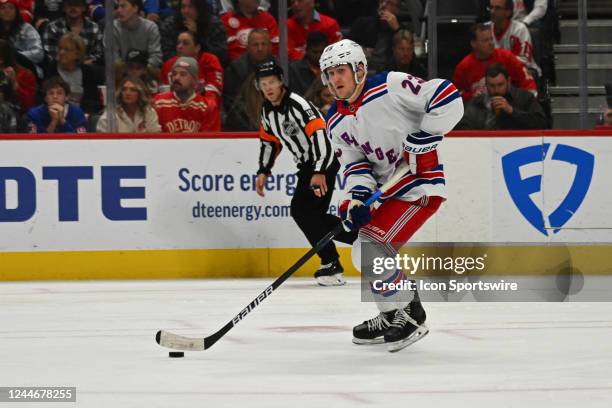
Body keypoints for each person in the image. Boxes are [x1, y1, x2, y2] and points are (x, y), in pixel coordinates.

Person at [319, 39, 463, 351]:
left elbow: (446, 95)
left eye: (340, 71)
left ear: (359, 70)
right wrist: (357, 198)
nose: (335, 80)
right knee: (363, 250)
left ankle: (411, 312)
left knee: (371, 248)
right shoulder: (335, 120)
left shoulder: (391, 85)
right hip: (388, 193)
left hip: (420, 186)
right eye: (329, 74)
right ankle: (389, 314)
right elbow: (355, 164)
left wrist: (425, 135)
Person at [254, 60, 356, 285]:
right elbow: (270, 142)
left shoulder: (297, 104)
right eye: (263, 84)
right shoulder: (267, 111)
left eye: (272, 82)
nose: (268, 87)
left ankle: (331, 262)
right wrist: (264, 170)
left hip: (324, 161)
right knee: (315, 216)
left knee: (301, 210)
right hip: (309, 167)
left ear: (281, 81)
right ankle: (362, 239)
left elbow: (321, 135)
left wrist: (319, 171)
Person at [453, 23, 537, 102]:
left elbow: (528, 84)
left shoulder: (507, 57)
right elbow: (456, 95)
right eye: (485, 40)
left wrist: (528, 103)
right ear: (473, 44)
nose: (491, 43)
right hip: (479, 112)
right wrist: (471, 96)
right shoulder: (463, 67)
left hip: (509, 107)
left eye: (491, 39)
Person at [159, 31, 223, 129]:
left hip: (200, 112)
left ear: (197, 48)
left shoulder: (210, 61)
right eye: (178, 43)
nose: (179, 46)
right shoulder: (168, 65)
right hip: (173, 113)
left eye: (185, 43)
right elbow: (164, 95)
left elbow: (214, 93)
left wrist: (194, 104)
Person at [456, 63, 547, 130]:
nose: (496, 90)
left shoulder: (524, 98)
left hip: (516, 148)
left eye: (500, 85)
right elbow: (462, 127)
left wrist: (512, 111)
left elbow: (541, 123)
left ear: (508, 81)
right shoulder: (477, 102)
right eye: (492, 86)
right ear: (486, 85)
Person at [223, 28, 272, 130]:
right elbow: (231, 103)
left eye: (264, 44)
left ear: (270, 47)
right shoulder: (235, 69)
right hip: (243, 124)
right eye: (255, 45)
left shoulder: (280, 67)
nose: (260, 48)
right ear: (248, 47)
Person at [44, 32, 103, 114]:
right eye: (60, 48)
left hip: (82, 115)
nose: (61, 52)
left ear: (77, 54)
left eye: (66, 50)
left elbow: (92, 101)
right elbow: (46, 97)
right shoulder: (51, 70)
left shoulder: (87, 72)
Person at [153, 56, 217, 132]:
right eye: (174, 74)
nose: (176, 78)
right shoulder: (158, 102)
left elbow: (211, 141)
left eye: (183, 74)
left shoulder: (207, 107)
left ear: (195, 80)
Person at [348, 0, 410, 75]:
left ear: (397, 9)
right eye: (381, 1)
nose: (383, 5)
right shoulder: (362, 23)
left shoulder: (401, 30)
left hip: (390, 74)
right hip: (363, 71)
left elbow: (408, 58)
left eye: (389, 3)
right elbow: (346, 47)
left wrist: (397, 29)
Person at [160, 0, 228, 64]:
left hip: (207, 66)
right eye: (183, 7)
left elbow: (221, 56)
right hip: (178, 68)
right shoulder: (170, 24)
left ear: (200, 8)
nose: (186, 11)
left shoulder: (214, 24)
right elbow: (167, 54)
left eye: (191, 7)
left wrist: (198, 36)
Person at [42, 0, 104, 66]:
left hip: (87, 70)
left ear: (84, 8)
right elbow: (51, 56)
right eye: (69, 4)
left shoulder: (94, 27)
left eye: (77, 5)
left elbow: (98, 54)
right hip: (59, 70)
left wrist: (80, 65)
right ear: (63, 8)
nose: (73, 8)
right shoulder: (53, 27)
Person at [489, 0, 540, 77]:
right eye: (491, 7)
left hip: (523, 72)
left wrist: (498, 59)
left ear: (508, 12)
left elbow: (524, 60)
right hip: (492, 73)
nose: (492, 11)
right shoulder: (485, 29)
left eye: (497, 8)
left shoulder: (519, 29)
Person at [97, 76, 161, 133]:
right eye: (124, 89)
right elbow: (104, 141)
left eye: (133, 90)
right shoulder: (110, 115)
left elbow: (155, 136)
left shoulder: (149, 112)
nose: (127, 93)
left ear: (140, 94)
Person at [112, 0, 163, 68]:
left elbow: (156, 56)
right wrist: (129, 71)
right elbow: (113, 58)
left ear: (135, 8)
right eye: (118, 7)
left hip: (145, 71)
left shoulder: (150, 27)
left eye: (123, 6)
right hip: (121, 73)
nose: (118, 10)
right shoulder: (112, 28)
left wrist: (139, 70)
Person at [0, 0, 44, 69]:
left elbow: (38, 53)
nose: (6, 11)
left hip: (24, 68)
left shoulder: (27, 28)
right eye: (2, 8)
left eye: (11, 8)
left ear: (17, 12)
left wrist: (13, 56)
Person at [0, 39, 36, 113]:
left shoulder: (25, 75)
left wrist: (15, 83)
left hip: (16, 116)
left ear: (1, 59)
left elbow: (28, 104)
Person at [288, 31, 327, 96]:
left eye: (322, 52)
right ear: (307, 50)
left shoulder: (333, 68)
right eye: (315, 52)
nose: (319, 55)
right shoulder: (294, 69)